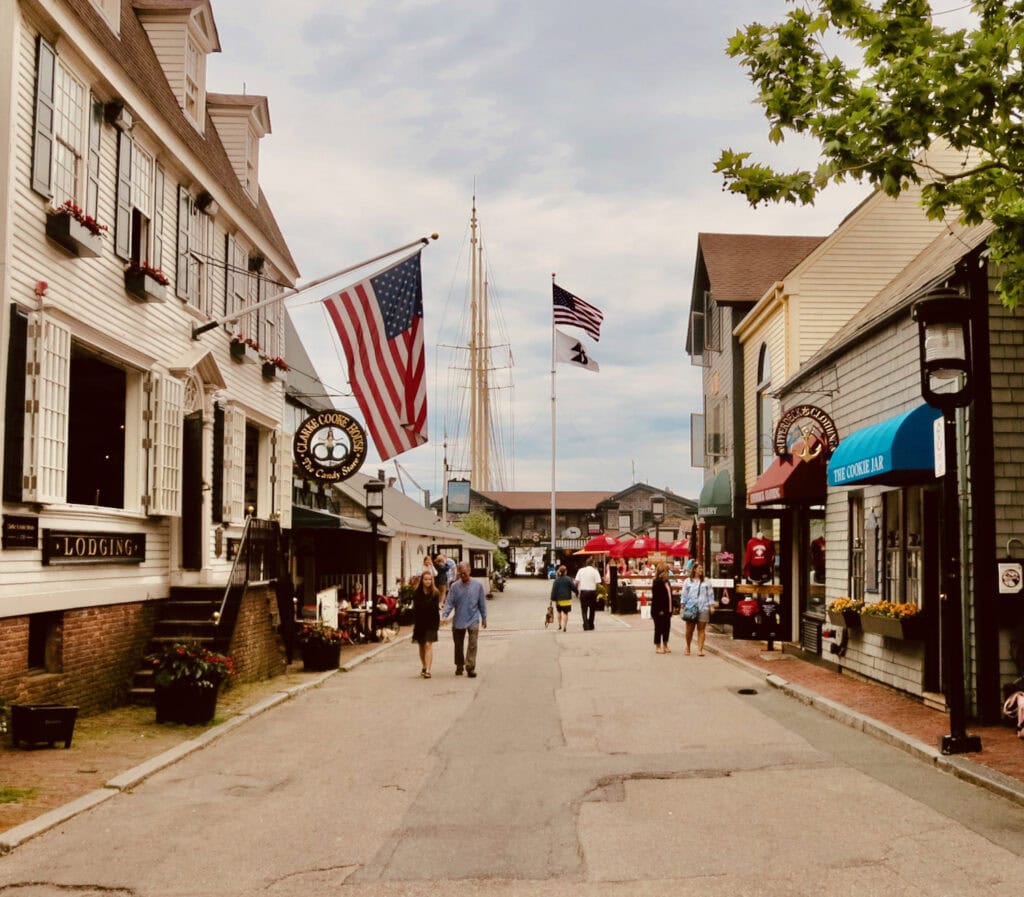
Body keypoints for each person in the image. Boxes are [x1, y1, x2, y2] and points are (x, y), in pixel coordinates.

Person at [441, 561, 488, 677]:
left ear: (469, 571)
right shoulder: (455, 586)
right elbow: (449, 602)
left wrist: (484, 617)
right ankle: (459, 664)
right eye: (460, 574)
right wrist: (444, 615)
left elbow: (482, 603)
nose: (462, 576)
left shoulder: (477, 585)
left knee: (473, 644)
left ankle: (470, 667)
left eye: (465, 574)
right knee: (458, 644)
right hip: (459, 619)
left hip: (473, 618)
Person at [411, 568, 441, 678]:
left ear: (432, 580)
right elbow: (415, 609)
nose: (428, 581)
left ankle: (428, 669)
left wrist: (437, 625)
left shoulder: (435, 593)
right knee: (421, 645)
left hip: (431, 622)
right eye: (425, 579)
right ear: (422, 580)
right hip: (420, 622)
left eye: (429, 579)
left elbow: (435, 610)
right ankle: (423, 666)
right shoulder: (417, 593)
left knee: (428, 644)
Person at [682, 562, 716, 656]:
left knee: (701, 629)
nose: (701, 570)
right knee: (689, 630)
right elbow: (684, 594)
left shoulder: (706, 581)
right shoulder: (688, 581)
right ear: (694, 569)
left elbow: (710, 594)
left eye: (702, 568)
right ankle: (688, 647)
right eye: (699, 568)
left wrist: (711, 606)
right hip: (691, 608)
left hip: (703, 608)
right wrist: (683, 605)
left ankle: (700, 649)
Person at [651, 561, 673, 654]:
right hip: (659, 610)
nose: (668, 573)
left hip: (668, 608)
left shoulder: (667, 582)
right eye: (667, 571)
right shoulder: (657, 582)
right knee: (659, 628)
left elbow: (669, 595)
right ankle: (658, 646)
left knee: (666, 627)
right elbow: (656, 598)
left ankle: (665, 645)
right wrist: (659, 609)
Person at [575, 558, 602, 631]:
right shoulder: (595, 571)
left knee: (584, 610)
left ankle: (585, 625)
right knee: (592, 609)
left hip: (583, 592)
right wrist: (597, 592)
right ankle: (591, 624)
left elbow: (576, 582)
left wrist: (576, 592)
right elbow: (598, 583)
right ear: (592, 563)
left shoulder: (580, 570)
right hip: (592, 592)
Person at [550, 565, 577, 631]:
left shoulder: (556, 580)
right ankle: (565, 626)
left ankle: (559, 625)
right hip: (567, 599)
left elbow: (554, 590)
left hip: (558, 600)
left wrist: (552, 598)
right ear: (565, 572)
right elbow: (573, 587)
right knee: (565, 613)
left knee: (559, 612)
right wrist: (577, 592)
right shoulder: (569, 579)